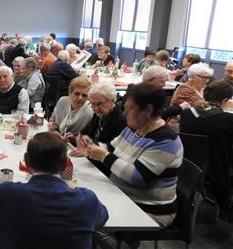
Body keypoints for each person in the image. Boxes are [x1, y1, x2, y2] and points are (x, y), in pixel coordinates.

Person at [0, 132, 108, 249]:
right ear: (66, 164)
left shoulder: (6, 193)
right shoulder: (87, 199)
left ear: (26, 161)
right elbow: (102, 218)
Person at [85, 83, 183, 229]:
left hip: (148, 209)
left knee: (84, 221)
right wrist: (91, 146)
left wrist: (104, 156)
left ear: (148, 110)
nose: (124, 113)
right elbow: (110, 147)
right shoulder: (134, 128)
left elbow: (137, 177)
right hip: (121, 195)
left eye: (130, 108)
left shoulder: (165, 140)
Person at [180, 80, 233, 222]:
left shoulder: (186, 114)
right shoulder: (227, 119)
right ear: (225, 100)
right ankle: (226, 207)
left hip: (186, 166)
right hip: (215, 172)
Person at [75, 82, 126, 157]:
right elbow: (85, 133)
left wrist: (88, 147)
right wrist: (76, 138)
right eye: (92, 104)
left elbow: (112, 150)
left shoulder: (121, 121)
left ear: (112, 100)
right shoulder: (99, 114)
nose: (95, 108)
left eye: (100, 103)